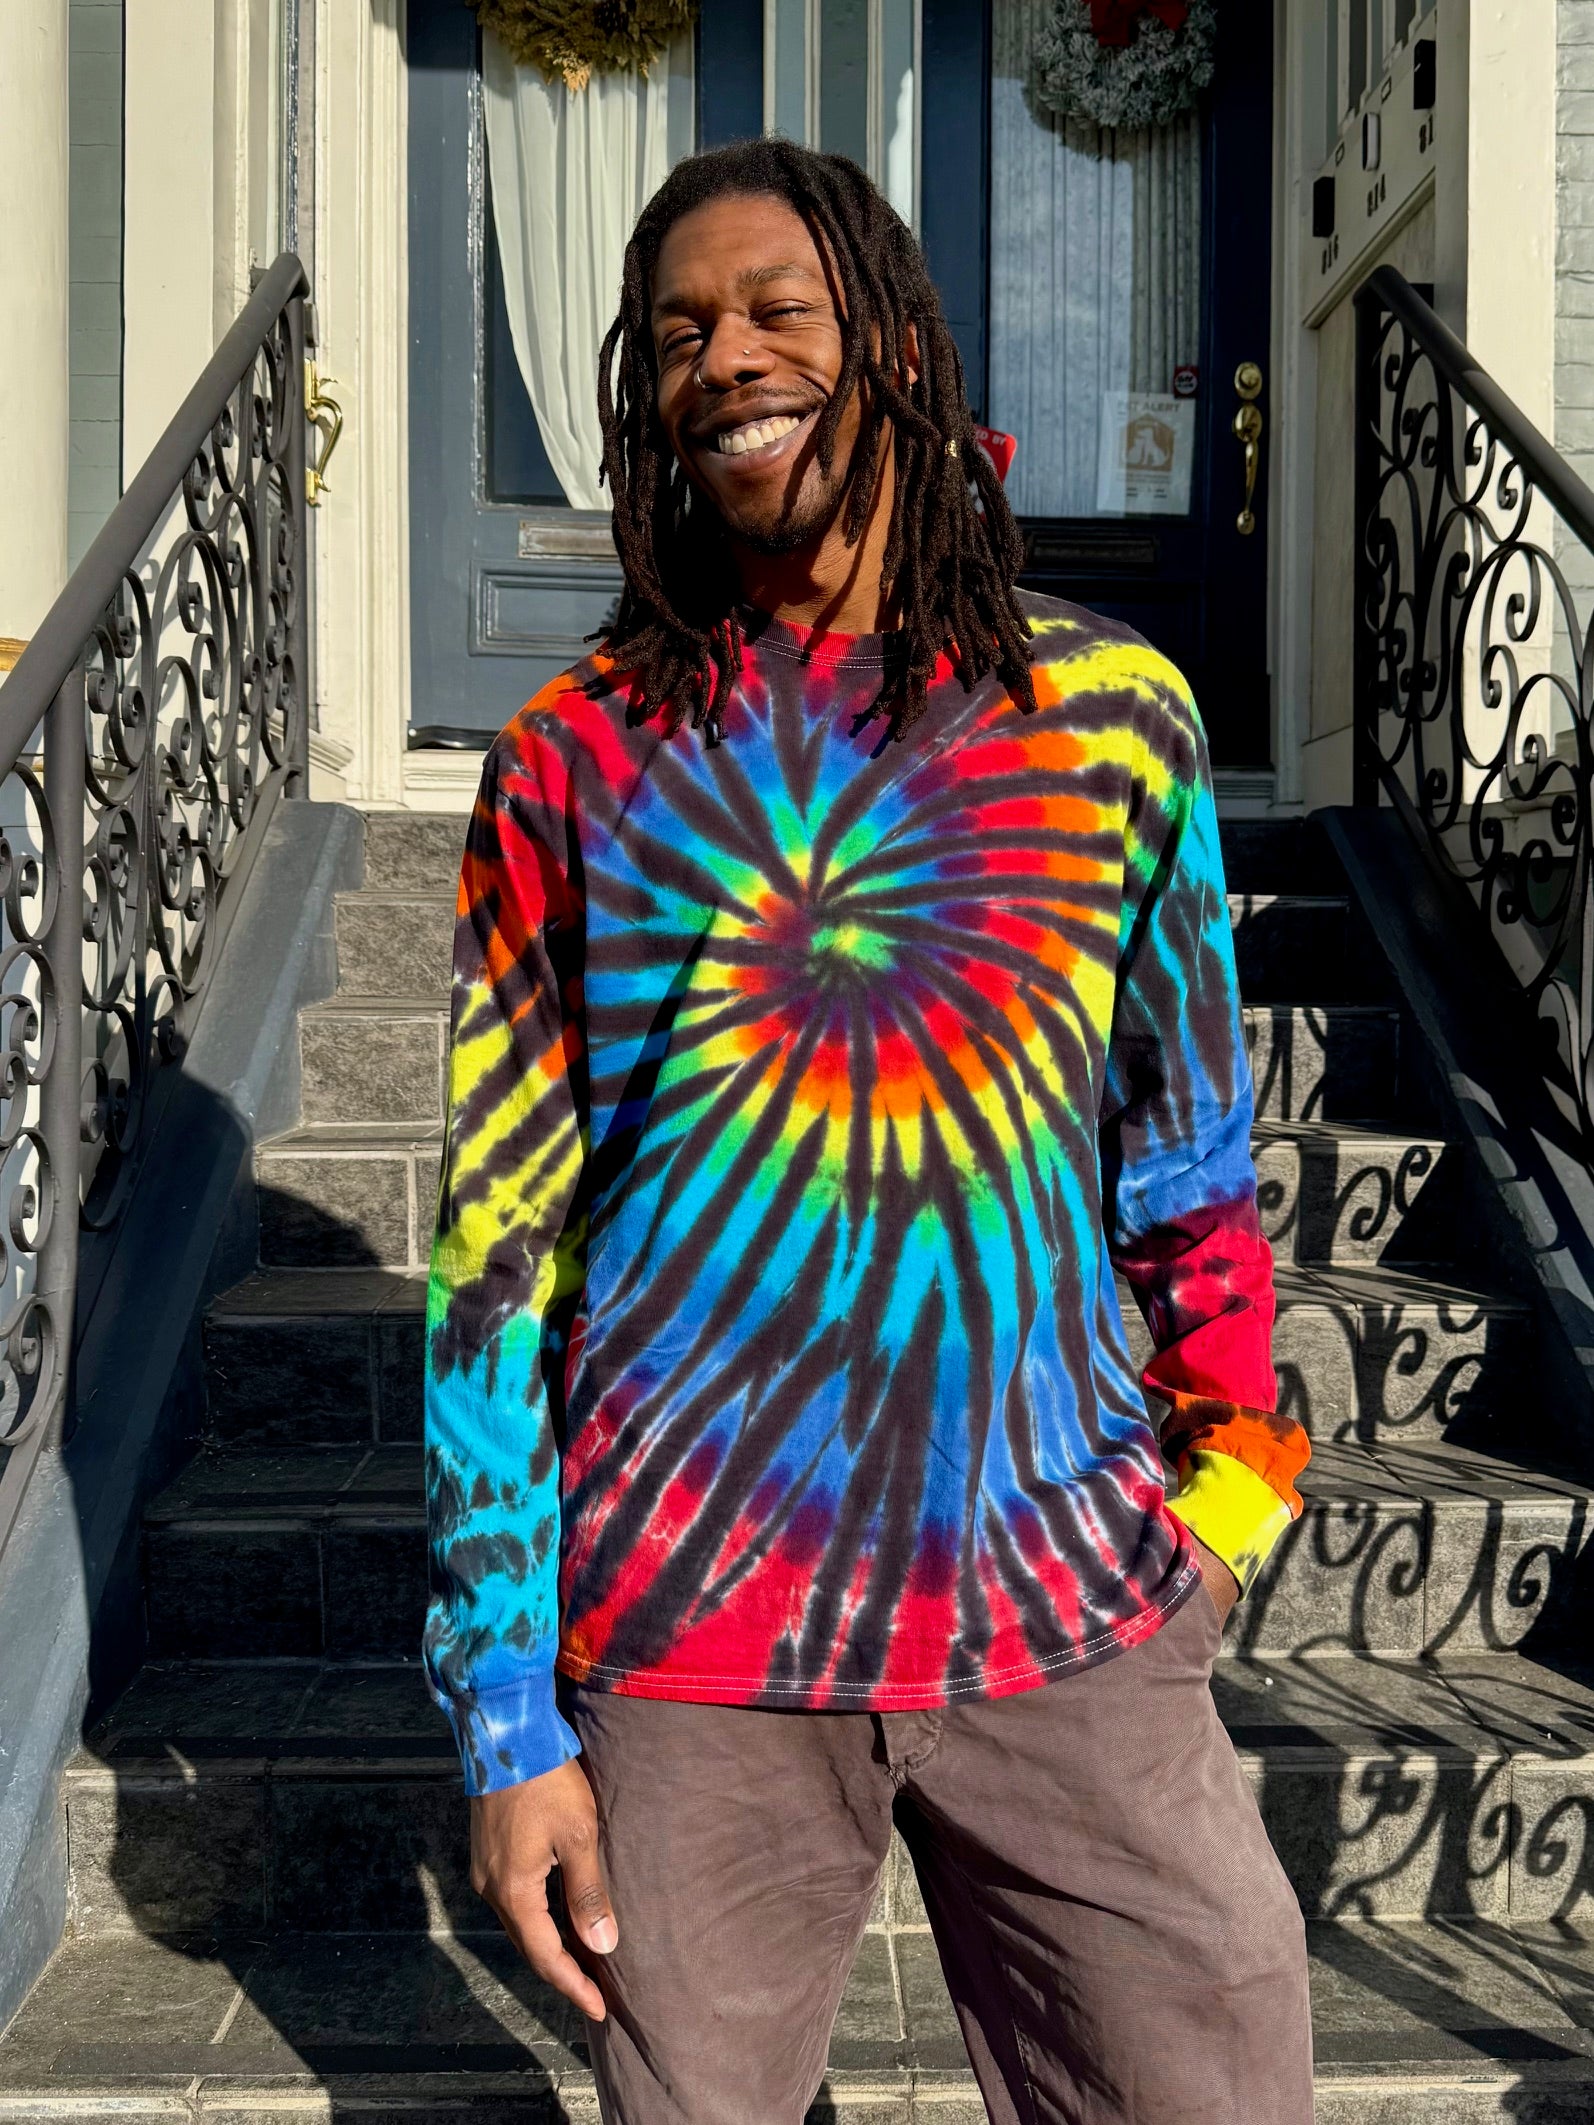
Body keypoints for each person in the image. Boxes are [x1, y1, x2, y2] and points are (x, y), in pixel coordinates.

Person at [423, 136, 1314, 2125]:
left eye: (774, 309)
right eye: (676, 332)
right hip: (692, 1637)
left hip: (1070, 1609)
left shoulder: (1115, 720)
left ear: (896, 344)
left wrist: (1226, 1515)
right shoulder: (570, 762)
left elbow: (1187, 1170)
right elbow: (493, 1265)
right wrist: (505, 1715)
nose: (722, 357)